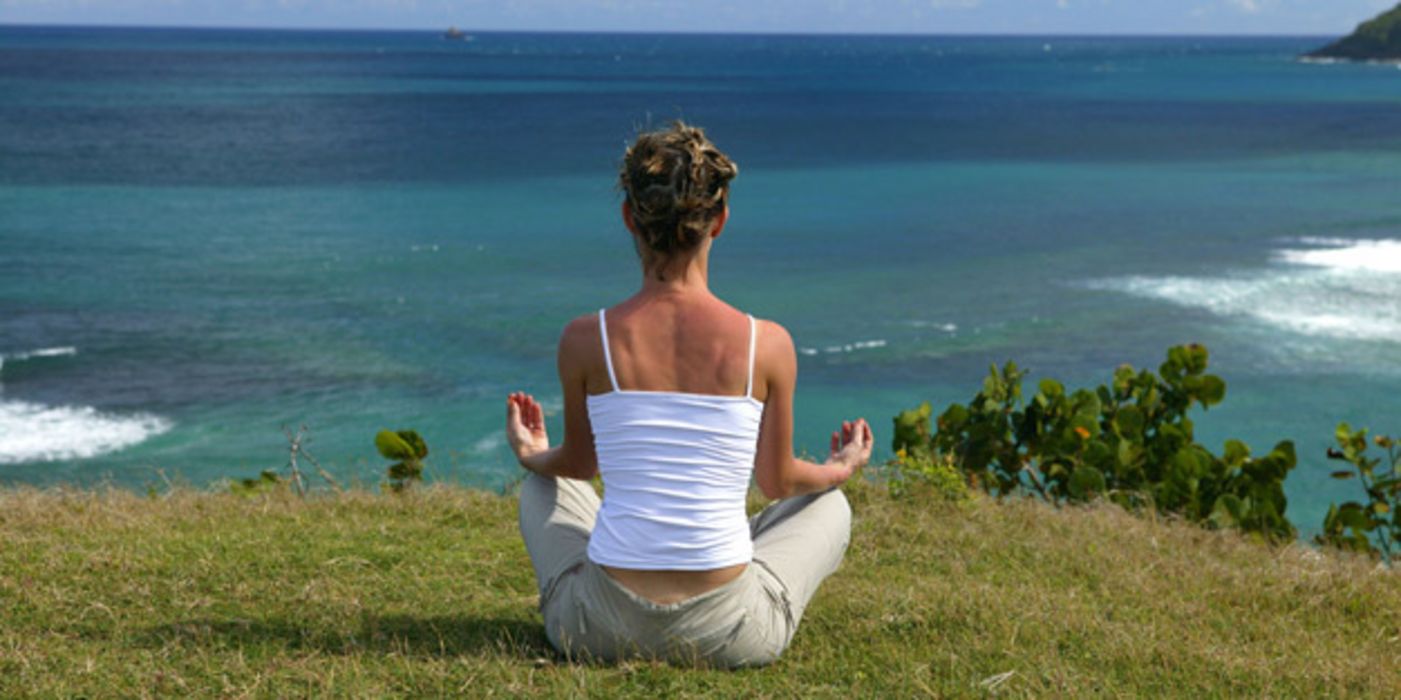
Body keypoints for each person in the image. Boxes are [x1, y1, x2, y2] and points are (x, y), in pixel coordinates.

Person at [505, 121, 873, 668]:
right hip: (731, 633)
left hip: (599, 629)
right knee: (830, 506)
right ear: (719, 221)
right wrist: (840, 468)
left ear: (629, 217)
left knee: (540, 488)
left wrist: (530, 452)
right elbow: (777, 481)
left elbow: (579, 464)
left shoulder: (586, 339)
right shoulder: (766, 344)